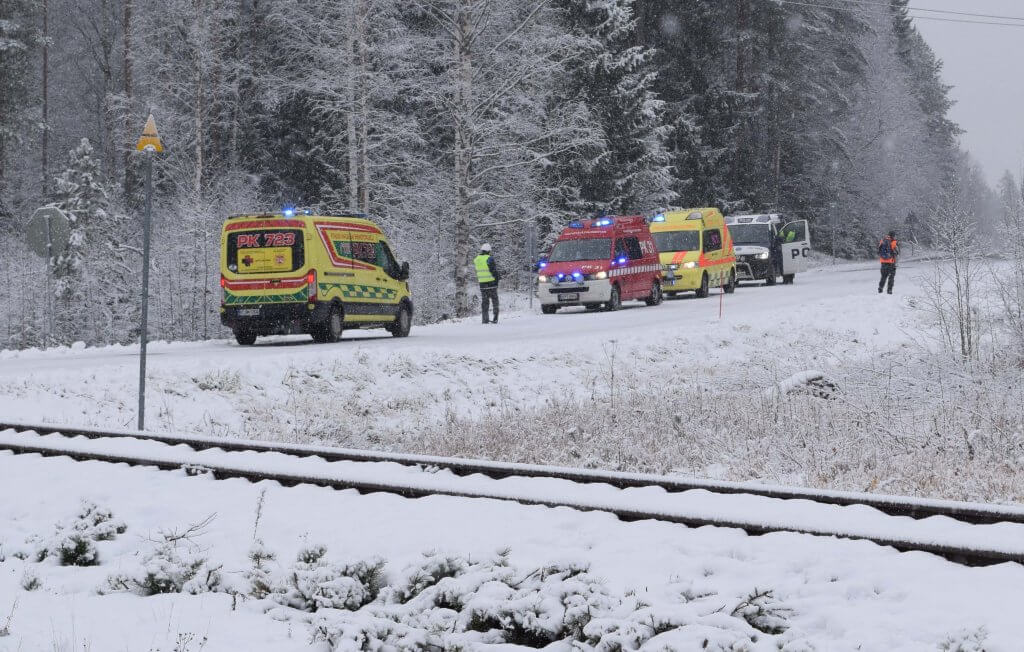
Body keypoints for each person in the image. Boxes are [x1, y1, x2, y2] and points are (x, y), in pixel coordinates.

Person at [474, 243, 501, 324]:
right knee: (495, 300)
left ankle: (485, 319)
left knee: (485, 302)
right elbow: (493, 271)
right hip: (491, 283)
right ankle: (495, 317)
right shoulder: (489, 258)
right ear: (489, 251)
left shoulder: (477, 259)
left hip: (482, 284)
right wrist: (497, 280)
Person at [878, 230, 900, 294]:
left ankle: (880, 288)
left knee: (883, 276)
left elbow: (879, 251)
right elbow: (897, 253)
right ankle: (889, 290)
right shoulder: (894, 242)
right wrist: (896, 263)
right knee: (891, 277)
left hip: (883, 262)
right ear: (893, 235)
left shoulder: (883, 240)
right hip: (891, 263)